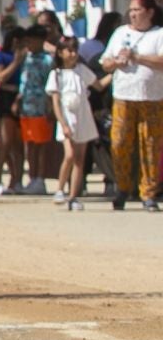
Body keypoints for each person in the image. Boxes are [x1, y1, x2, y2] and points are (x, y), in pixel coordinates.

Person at [101, 0, 163, 211]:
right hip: (123, 96)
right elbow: (105, 62)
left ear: (150, 12)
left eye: (138, 10)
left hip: (152, 98)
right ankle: (122, 187)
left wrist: (138, 58)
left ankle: (149, 193)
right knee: (119, 143)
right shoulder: (120, 33)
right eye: (131, 10)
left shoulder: (158, 34)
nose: (133, 14)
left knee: (151, 145)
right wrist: (116, 62)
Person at [50, 36, 100, 212]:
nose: (73, 54)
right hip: (67, 120)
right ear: (60, 53)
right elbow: (56, 102)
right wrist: (62, 123)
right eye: (69, 50)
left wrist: (116, 72)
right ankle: (59, 189)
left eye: (75, 50)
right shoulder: (56, 74)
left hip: (83, 118)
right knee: (69, 155)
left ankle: (73, 196)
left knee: (80, 159)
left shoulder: (82, 71)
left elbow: (98, 85)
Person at [15, 26, 58, 197]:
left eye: (31, 40)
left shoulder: (47, 60)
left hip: (41, 108)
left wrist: (50, 108)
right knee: (30, 144)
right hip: (26, 107)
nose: (28, 44)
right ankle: (31, 176)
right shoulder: (26, 58)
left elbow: (51, 85)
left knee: (40, 145)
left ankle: (40, 178)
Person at [0, 26, 26, 195]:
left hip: (22, 97)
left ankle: (16, 180)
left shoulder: (28, 58)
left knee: (19, 144)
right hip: (5, 97)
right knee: (5, 142)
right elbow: (1, 77)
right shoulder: (1, 56)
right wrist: (16, 62)